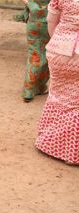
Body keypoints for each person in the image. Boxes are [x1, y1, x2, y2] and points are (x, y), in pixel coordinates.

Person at [35, 0, 79, 165]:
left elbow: (51, 22)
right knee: (76, 101)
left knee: (57, 95)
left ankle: (48, 143)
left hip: (59, 50)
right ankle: (72, 153)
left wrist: (60, 41)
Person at [18, 0, 50, 102]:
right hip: (48, 24)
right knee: (47, 55)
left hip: (33, 24)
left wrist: (29, 3)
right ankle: (38, 88)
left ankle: (30, 90)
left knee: (34, 55)